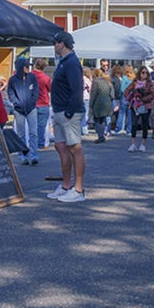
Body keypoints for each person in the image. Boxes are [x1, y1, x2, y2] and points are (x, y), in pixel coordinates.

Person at [47, 31, 86, 202]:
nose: (54, 46)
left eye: (55, 43)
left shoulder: (71, 63)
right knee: (61, 147)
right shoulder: (64, 62)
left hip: (69, 112)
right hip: (60, 110)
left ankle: (78, 190)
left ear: (62, 44)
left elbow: (77, 89)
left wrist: (70, 112)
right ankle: (65, 186)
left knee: (74, 148)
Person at [7, 57, 40, 165]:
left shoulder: (32, 77)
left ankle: (34, 155)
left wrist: (33, 102)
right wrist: (16, 103)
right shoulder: (13, 80)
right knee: (21, 134)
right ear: (21, 67)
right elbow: (10, 93)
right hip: (19, 110)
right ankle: (23, 156)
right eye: (26, 66)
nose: (28, 68)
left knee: (33, 133)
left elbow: (36, 91)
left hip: (31, 108)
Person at [124, 65, 154, 152]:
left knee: (144, 125)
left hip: (146, 106)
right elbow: (126, 91)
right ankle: (133, 144)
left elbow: (153, 94)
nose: (144, 74)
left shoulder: (150, 83)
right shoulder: (135, 82)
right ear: (139, 73)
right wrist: (131, 98)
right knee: (134, 124)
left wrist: (142, 99)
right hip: (135, 106)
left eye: (146, 73)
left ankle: (143, 144)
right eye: (143, 72)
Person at [89, 67, 114, 143]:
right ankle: (102, 135)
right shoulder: (107, 82)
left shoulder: (95, 82)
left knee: (97, 120)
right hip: (107, 103)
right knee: (103, 120)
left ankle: (100, 136)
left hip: (98, 103)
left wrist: (90, 105)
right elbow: (111, 94)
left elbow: (93, 95)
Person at [32, 57, 52, 149]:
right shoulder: (46, 78)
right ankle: (40, 143)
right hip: (43, 102)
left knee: (31, 125)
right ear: (44, 67)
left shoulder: (29, 76)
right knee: (41, 126)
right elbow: (50, 89)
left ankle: (31, 143)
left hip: (31, 103)